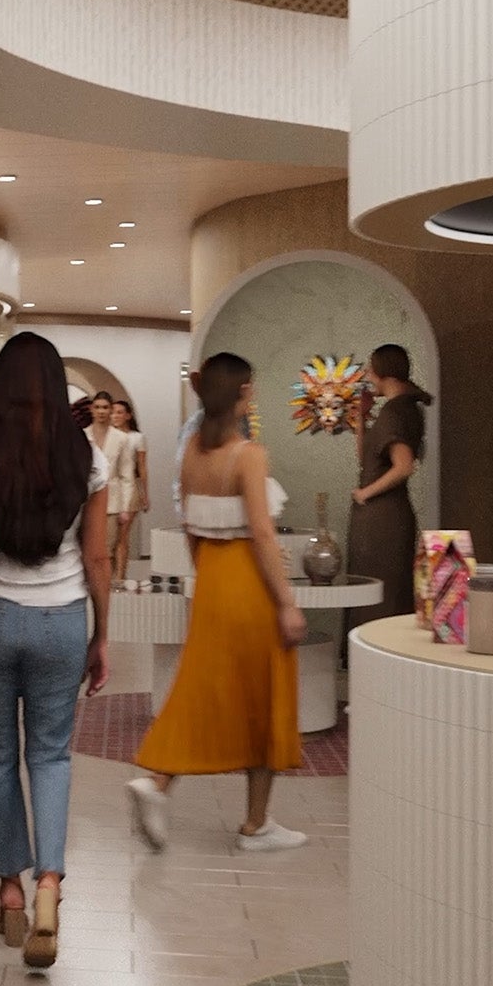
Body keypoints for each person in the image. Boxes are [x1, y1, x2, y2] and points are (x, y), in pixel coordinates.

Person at [0, 332, 111, 971]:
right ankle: (49, 887)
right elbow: (97, 556)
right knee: (51, 755)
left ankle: (9, 886)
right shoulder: (89, 459)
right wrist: (101, 636)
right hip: (61, 621)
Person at [127, 352, 308, 856]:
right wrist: (287, 602)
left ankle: (160, 782)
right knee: (264, 694)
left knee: (205, 687)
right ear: (245, 393)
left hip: (210, 581)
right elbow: (264, 535)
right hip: (249, 586)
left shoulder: (190, 455)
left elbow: (190, 528)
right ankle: (256, 823)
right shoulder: (247, 456)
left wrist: (207, 575)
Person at [348, 344, 432, 625]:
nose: (369, 377)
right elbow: (367, 459)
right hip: (382, 517)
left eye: (372, 370)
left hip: (384, 520)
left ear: (386, 373)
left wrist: (365, 493)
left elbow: (404, 466)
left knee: (380, 595)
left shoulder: (396, 412)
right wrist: (361, 417)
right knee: (374, 590)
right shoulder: (399, 410)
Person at [87, 392, 134, 583]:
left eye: (105, 407)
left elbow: (127, 475)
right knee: (88, 545)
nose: (101, 411)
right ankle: (90, 582)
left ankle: (108, 583)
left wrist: (125, 507)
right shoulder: (83, 435)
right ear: (91, 409)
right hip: (87, 498)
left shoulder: (121, 438)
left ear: (111, 409)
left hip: (112, 500)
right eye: (97, 407)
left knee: (109, 547)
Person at [110, 400, 148, 582]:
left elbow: (141, 467)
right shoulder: (108, 436)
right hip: (111, 490)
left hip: (130, 489)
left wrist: (145, 494)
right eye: (113, 412)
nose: (115, 416)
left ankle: (120, 576)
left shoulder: (136, 438)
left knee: (122, 535)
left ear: (128, 415)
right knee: (109, 536)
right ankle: (110, 575)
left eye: (119, 412)